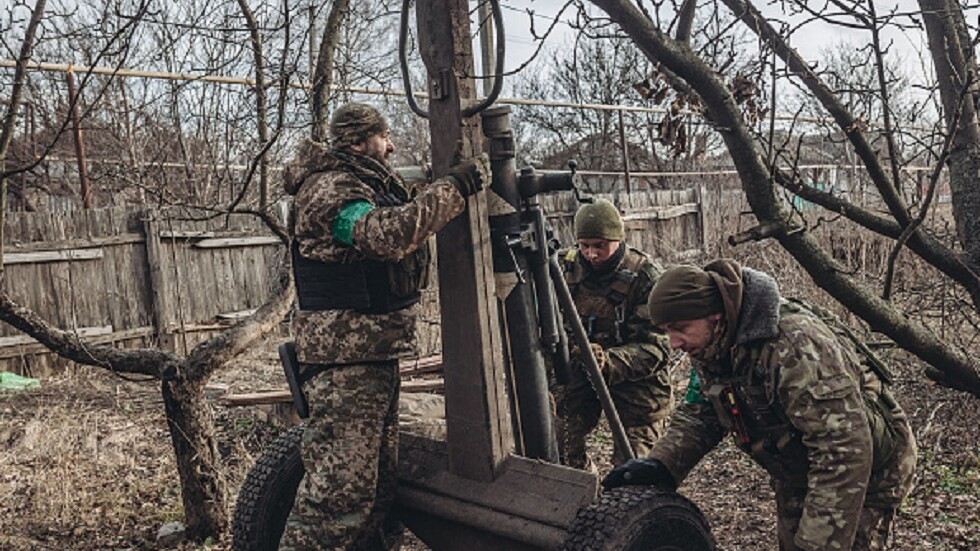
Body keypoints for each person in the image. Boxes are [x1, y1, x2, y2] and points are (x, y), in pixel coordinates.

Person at [280, 102, 486, 550]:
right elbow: (386, 235)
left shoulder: (362, 183)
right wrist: (453, 188)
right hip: (343, 364)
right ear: (358, 141)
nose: (391, 146)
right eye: (384, 137)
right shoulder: (330, 191)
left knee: (373, 496)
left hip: (369, 356)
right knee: (336, 502)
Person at [602, 259, 917, 551]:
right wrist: (662, 465)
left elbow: (843, 449)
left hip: (869, 470)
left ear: (715, 316)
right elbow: (702, 412)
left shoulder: (796, 346)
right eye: (667, 331)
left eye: (680, 329)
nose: (674, 344)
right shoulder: (714, 344)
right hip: (799, 465)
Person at [555, 199, 674, 470]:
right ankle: (584, 496)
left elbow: (657, 349)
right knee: (560, 447)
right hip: (578, 374)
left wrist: (608, 361)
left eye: (600, 246)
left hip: (637, 385)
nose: (591, 254)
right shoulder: (564, 267)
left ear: (618, 241)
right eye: (584, 245)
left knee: (634, 469)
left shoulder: (645, 277)